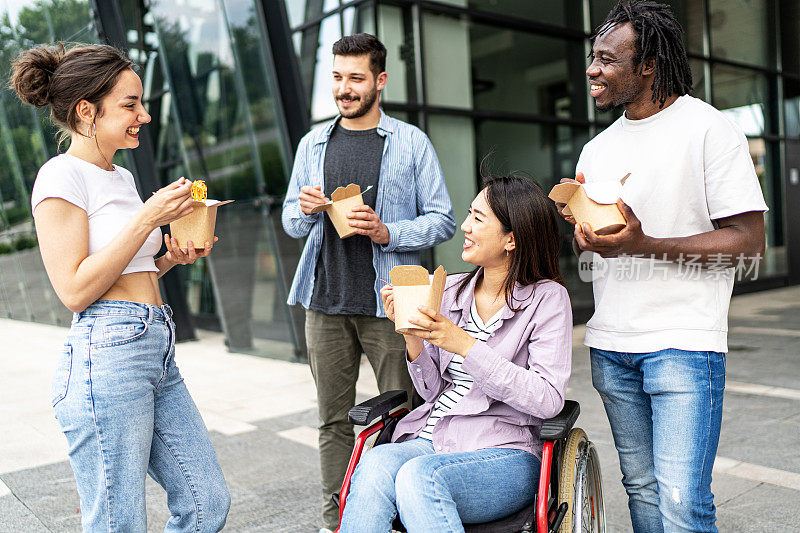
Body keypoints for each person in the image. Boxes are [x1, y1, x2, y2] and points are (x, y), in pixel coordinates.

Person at [555, 2, 768, 532]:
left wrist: (643, 243)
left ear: (648, 65)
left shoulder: (708, 129)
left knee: (681, 502)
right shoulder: (597, 149)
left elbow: (749, 243)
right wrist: (587, 237)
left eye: (607, 59)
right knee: (642, 493)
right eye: (592, 56)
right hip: (611, 345)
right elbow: (600, 250)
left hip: (684, 344)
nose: (591, 70)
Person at [12, 43, 230, 531]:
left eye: (142, 104)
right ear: (87, 111)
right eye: (130, 105)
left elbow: (130, 271)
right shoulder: (60, 175)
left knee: (207, 502)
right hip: (106, 356)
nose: (144, 116)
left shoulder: (122, 177)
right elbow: (73, 289)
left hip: (155, 345)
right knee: (118, 522)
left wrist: (170, 256)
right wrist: (148, 216)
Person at [281, 33, 455, 532]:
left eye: (356, 78)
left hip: (392, 306)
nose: (344, 88)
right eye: (337, 77)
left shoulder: (410, 142)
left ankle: (398, 518)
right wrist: (307, 211)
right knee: (333, 422)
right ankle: (336, 523)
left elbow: (443, 218)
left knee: (405, 417)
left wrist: (387, 231)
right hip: (324, 302)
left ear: (380, 80)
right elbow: (291, 221)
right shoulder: (312, 144)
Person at [339, 175, 572, 533]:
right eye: (469, 214)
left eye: (478, 218)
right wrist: (412, 337)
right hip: (431, 438)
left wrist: (464, 344)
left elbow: (548, 400)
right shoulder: (449, 289)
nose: (464, 226)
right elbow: (432, 392)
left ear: (511, 238)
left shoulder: (547, 300)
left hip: (504, 451)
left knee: (419, 476)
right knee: (375, 464)